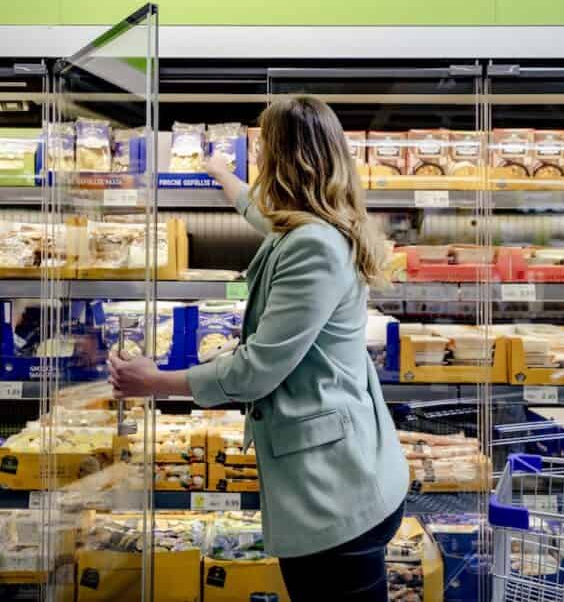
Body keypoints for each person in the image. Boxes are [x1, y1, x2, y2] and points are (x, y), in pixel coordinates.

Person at [107, 96, 408, 601]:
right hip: (345, 476)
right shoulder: (318, 225)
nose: (259, 154)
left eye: (264, 145)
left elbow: (257, 370)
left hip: (335, 494)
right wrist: (221, 174)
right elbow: (263, 216)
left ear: (285, 157)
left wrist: (154, 382)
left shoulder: (312, 245)